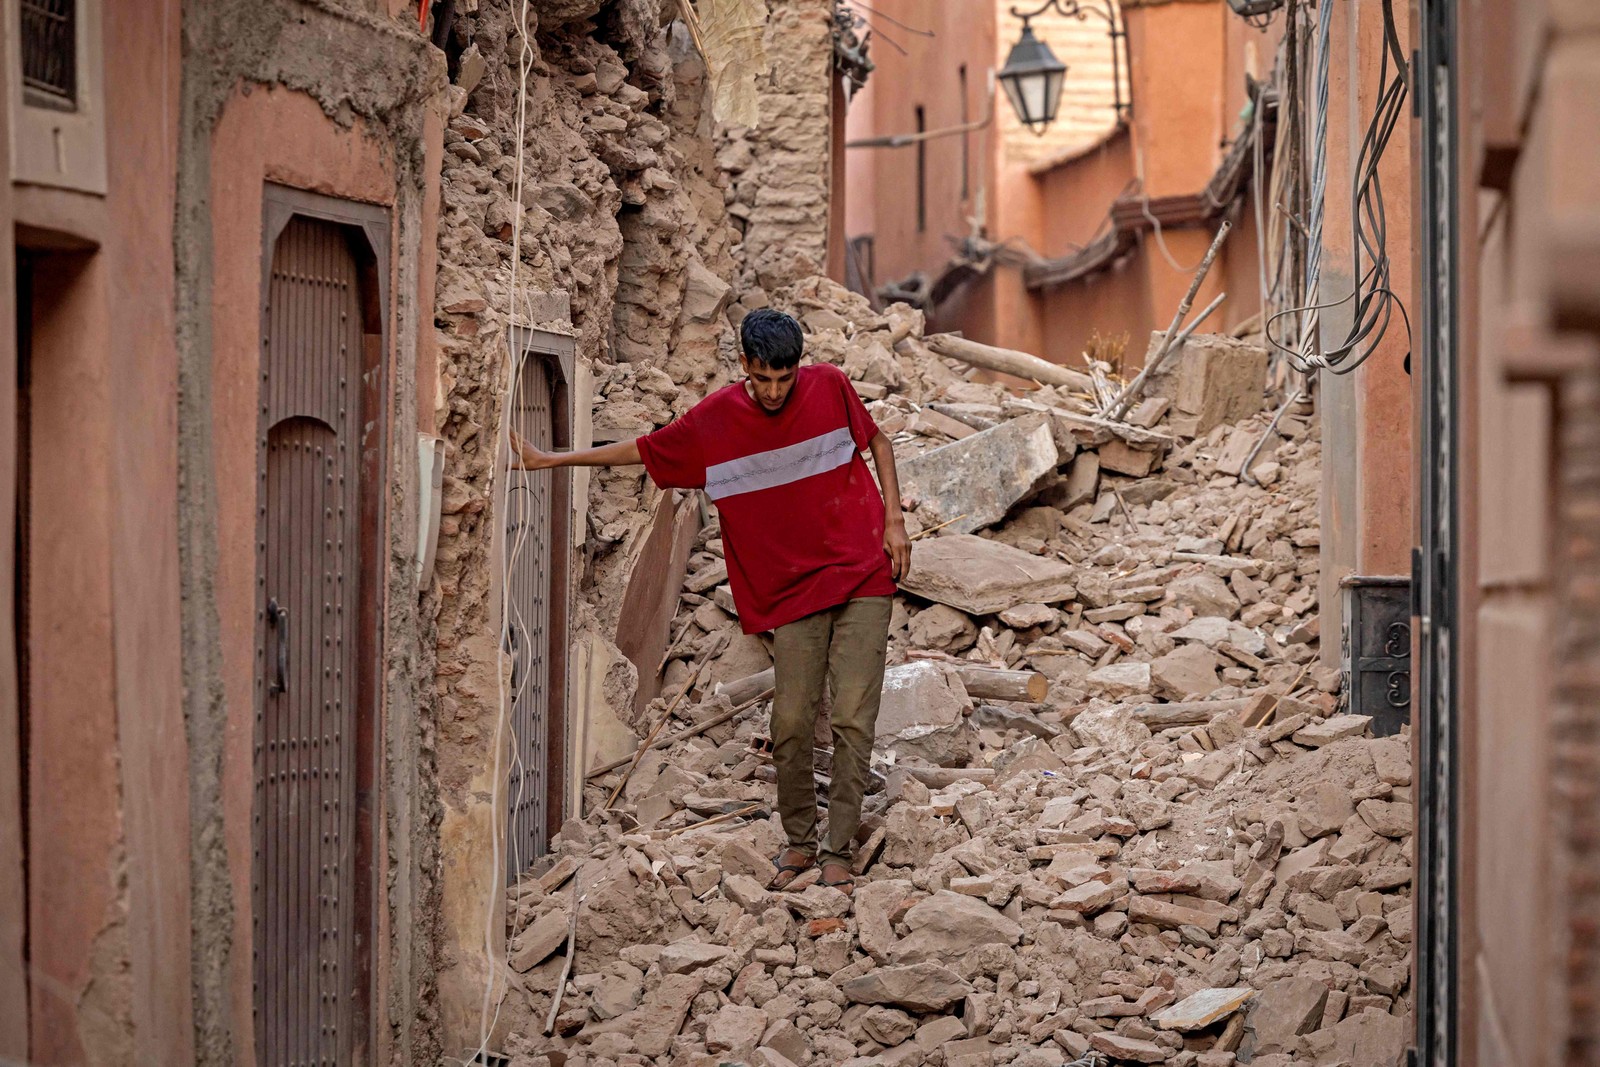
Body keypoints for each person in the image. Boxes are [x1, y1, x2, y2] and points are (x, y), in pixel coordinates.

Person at [510, 308, 910, 896]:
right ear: (744, 365)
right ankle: (800, 841)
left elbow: (875, 440)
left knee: (853, 718)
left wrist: (895, 520)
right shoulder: (715, 421)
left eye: (785, 378)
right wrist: (553, 462)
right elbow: (644, 451)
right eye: (763, 378)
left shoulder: (829, 385)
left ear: (800, 367)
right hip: (791, 591)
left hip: (863, 574)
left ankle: (837, 849)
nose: (775, 391)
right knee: (793, 722)